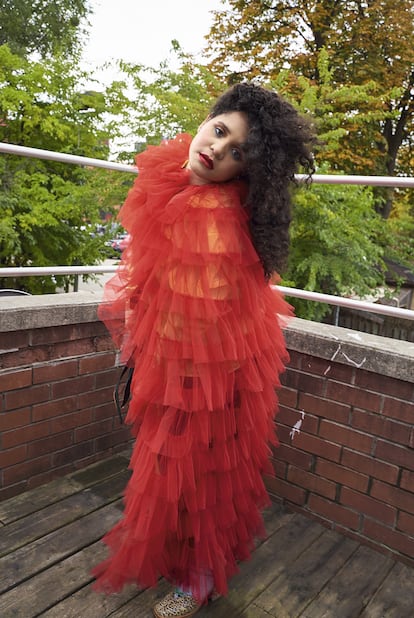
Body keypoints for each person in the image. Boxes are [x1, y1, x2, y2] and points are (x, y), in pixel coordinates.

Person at [92, 81, 316, 618]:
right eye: (219, 131)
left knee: (199, 474)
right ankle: (186, 566)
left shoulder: (214, 217)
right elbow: (151, 277)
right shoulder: (172, 178)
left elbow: (211, 317)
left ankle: (199, 578)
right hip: (171, 364)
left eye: (238, 151)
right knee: (171, 470)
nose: (217, 149)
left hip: (206, 377)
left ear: (246, 169)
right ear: (206, 122)